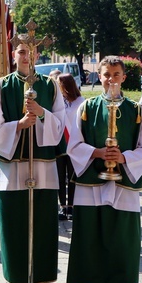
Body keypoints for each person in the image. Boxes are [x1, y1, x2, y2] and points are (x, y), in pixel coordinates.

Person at [66, 55, 142, 283]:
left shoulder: (136, 110)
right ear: (99, 76)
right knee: (88, 236)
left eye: (116, 75)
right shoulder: (86, 108)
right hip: (90, 182)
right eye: (106, 74)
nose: (111, 79)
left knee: (122, 238)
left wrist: (124, 157)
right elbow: (73, 144)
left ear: (124, 77)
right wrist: (96, 153)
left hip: (124, 183)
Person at [0, 40, 66, 283]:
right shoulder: (1, 86)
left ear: (38, 54)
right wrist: (19, 125)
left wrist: (41, 112)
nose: (26, 56)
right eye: (22, 52)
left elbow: (60, 125)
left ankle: (40, 280)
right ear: (14, 54)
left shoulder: (50, 85)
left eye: (31, 52)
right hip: (12, 167)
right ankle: (14, 281)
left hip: (43, 165)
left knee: (43, 225)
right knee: (13, 224)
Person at [55, 71, 85, 220]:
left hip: (73, 144)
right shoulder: (57, 100)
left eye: (58, 83)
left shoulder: (81, 101)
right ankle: (62, 207)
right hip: (60, 144)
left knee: (73, 176)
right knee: (60, 177)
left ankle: (71, 206)